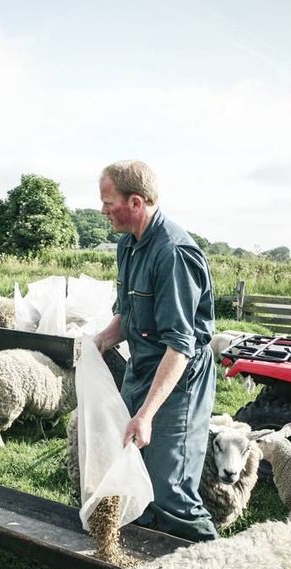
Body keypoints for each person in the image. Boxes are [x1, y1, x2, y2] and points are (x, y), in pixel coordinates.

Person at [92, 160, 219, 543]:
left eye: (107, 201)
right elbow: (129, 313)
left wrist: (146, 414)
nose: (102, 210)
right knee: (136, 474)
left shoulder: (174, 253)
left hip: (177, 379)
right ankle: (147, 566)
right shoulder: (127, 246)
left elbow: (180, 345)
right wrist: (99, 342)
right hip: (143, 366)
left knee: (170, 488)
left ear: (135, 202)